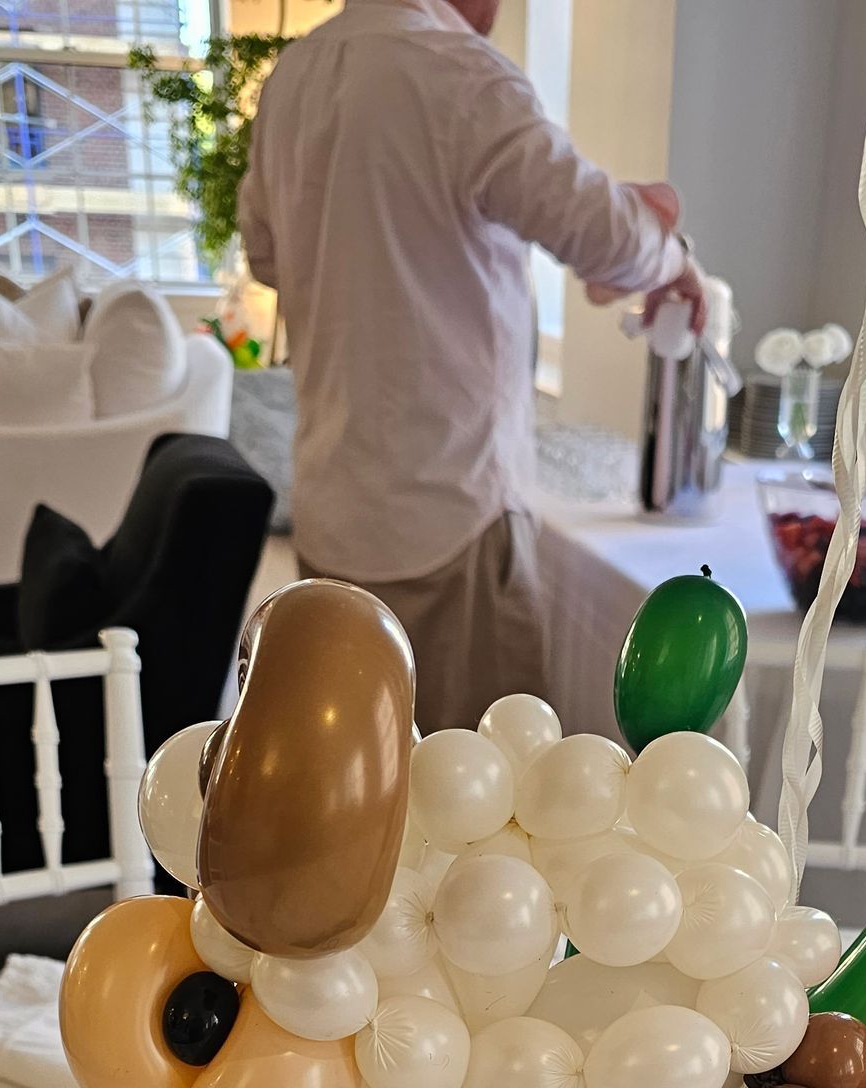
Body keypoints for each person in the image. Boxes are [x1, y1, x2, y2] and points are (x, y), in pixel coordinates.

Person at [238, 0, 707, 733]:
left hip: (334, 505)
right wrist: (675, 261)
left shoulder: (294, 74)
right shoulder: (459, 75)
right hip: (450, 515)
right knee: (483, 799)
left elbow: (265, 254)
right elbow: (604, 235)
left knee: (360, 776)